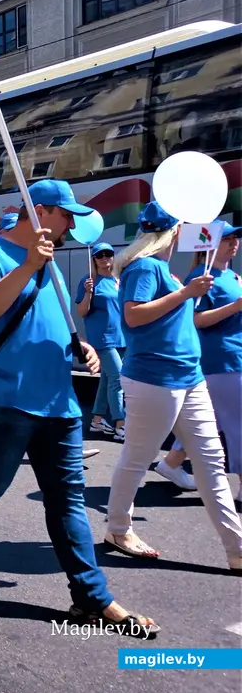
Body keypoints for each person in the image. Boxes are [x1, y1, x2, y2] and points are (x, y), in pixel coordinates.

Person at [0, 180, 158, 636]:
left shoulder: (50, 266)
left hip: (60, 404)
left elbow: (47, 325)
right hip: (3, 400)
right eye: (65, 214)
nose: (71, 224)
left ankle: (91, 597)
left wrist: (80, 349)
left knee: (67, 499)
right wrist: (28, 263)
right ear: (40, 210)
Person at [104, 203, 242, 571]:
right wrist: (185, 293)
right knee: (136, 458)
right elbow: (133, 315)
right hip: (155, 378)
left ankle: (237, 549)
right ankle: (118, 528)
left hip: (189, 375)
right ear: (174, 231)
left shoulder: (162, 268)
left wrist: (188, 292)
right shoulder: (146, 267)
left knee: (211, 461)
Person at [158, 225, 242, 496]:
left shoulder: (232, 276)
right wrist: (236, 306)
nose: (233, 244)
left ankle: (171, 463)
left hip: (234, 356)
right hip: (221, 359)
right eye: (226, 239)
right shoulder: (201, 275)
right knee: (236, 422)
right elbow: (194, 321)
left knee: (214, 419)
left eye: (235, 239)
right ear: (210, 246)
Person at [75, 242, 126, 441]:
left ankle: (97, 419)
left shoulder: (118, 280)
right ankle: (120, 424)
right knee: (119, 378)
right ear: (94, 259)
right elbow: (81, 312)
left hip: (121, 336)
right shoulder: (89, 281)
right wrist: (88, 293)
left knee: (107, 379)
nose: (105, 259)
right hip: (102, 338)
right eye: (100, 256)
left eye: (108, 254)